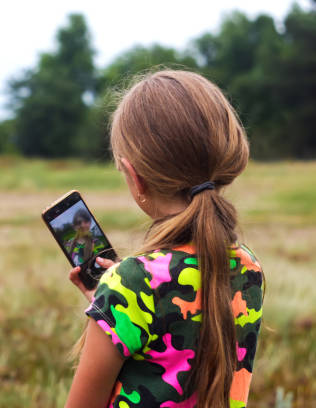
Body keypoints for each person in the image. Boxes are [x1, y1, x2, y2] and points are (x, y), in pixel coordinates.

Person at [65, 70, 264, 408]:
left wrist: (116, 303)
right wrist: (115, 304)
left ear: (134, 177)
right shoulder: (249, 266)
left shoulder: (129, 284)